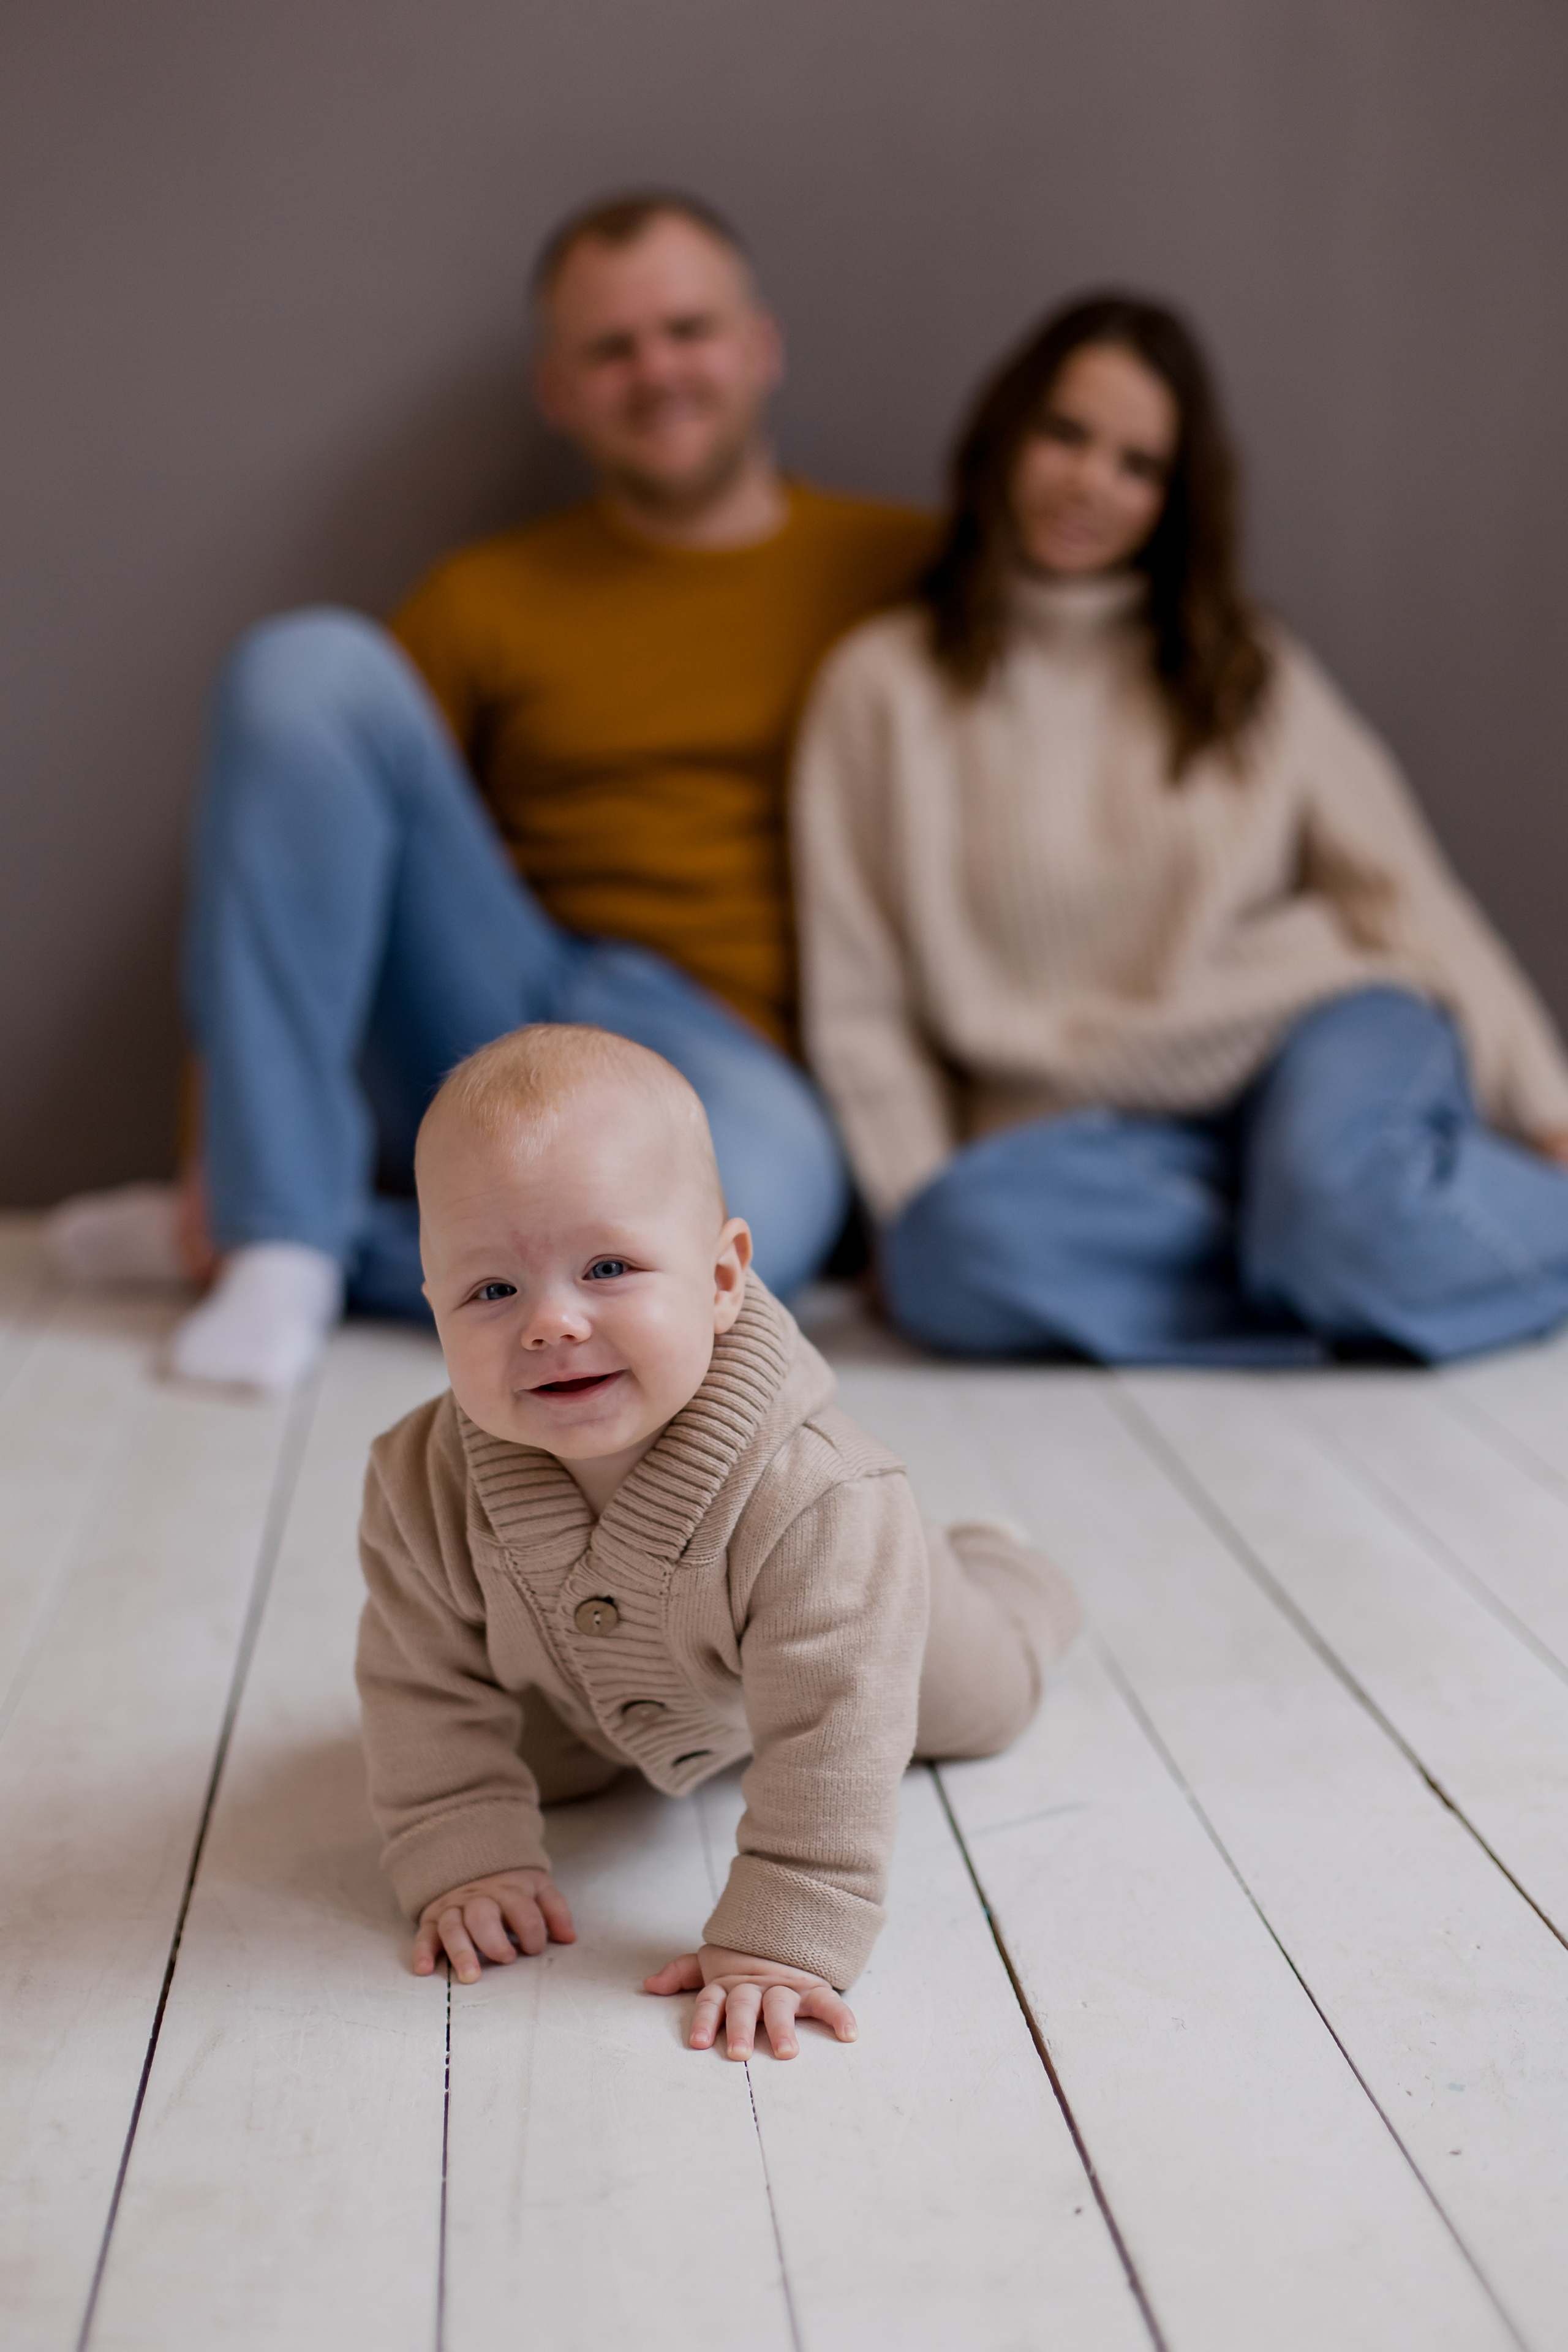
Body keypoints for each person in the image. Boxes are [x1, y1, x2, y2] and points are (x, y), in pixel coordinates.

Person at [48, 191, 932, 1392]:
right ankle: (269, 1233)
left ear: (759, 345)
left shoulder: (907, 571)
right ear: (556, 391)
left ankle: (296, 1234)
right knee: (307, 669)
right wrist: (225, 1151)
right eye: (609, 349)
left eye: (688, 330)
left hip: (741, 1059)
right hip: (517, 991)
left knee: (731, 1258)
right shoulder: (486, 596)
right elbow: (291, 851)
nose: (655, 371)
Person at [793, 293, 1568, 1366]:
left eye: (1137, 464)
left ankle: (1341, 1239)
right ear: (1005, 438)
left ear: (1174, 496)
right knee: (950, 1256)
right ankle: (1340, 1264)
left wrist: (1546, 1105)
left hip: (1314, 1035)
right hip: (1095, 1141)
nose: (1088, 483)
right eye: (1065, 435)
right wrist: (914, 1209)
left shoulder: (1249, 666)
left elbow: (1405, 898)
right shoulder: (879, 690)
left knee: (1331, 1195)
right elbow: (861, 1007)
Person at [354, 1023, 1080, 2057]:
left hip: (874, 1627)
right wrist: (464, 1852)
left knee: (988, 1699)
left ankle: (1003, 1564)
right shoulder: (418, 1483)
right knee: (537, 1763)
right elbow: (419, 1683)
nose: (551, 1323)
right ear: (434, 1310)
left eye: (607, 1266)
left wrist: (786, 1929)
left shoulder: (823, 1497)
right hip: (585, 1685)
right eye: (492, 1291)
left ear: (723, 1275)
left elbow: (837, 1732)